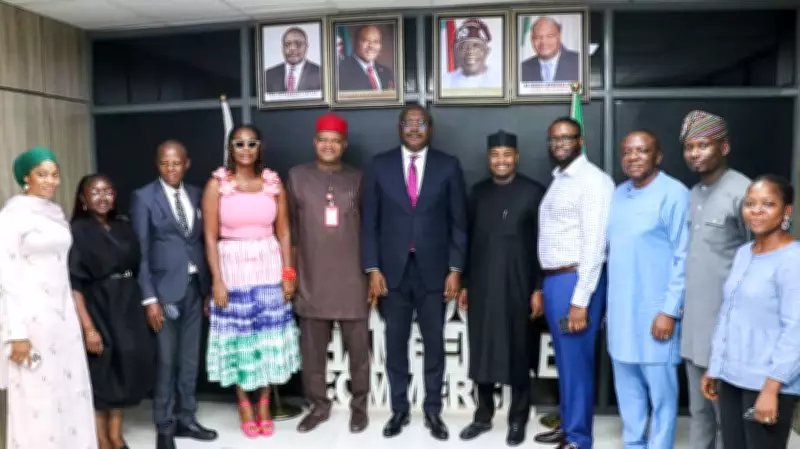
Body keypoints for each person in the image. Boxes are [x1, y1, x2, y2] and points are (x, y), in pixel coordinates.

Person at [361, 104, 468, 440]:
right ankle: (399, 410)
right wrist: (372, 268)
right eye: (408, 122)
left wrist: (455, 268)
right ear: (399, 127)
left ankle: (433, 410)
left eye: (421, 123)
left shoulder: (448, 165)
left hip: (434, 273)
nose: (414, 128)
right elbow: (369, 223)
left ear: (430, 128)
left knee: (434, 345)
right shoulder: (379, 165)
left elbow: (459, 223)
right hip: (392, 273)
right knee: (395, 345)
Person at [203, 125, 301, 438]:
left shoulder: (273, 183)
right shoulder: (217, 184)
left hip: (268, 267)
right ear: (230, 148)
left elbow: (284, 231)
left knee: (266, 337)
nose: (245, 149)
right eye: (239, 143)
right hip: (232, 269)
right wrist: (217, 281)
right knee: (239, 338)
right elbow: (209, 236)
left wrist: (288, 274)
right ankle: (244, 403)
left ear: (260, 147)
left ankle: (264, 403)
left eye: (251, 143)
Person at [0, 147, 97, 449]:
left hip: (62, 316)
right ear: (25, 178)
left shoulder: (55, 213)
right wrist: (17, 333)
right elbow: (6, 278)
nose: (51, 181)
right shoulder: (12, 216)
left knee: (70, 390)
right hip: (31, 320)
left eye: (55, 174)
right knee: (37, 399)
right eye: (42, 174)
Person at [457, 130, 545, 446]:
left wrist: (538, 288)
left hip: (520, 285)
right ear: (489, 158)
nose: (501, 160)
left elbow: (543, 244)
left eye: (507, 155)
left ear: (516, 157)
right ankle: (483, 416)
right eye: (495, 155)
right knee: (483, 351)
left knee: (519, 350)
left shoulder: (534, 192)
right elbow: (468, 240)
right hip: (482, 286)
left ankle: (518, 419)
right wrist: (465, 283)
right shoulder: (477, 192)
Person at [130, 140, 217, 449]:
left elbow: (200, 241)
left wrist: (208, 289)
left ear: (186, 163)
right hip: (163, 292)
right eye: (165, 163)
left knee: (190, 359)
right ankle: (164, 427)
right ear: (158, 165)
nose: (171, 168)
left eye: (176, 163)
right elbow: (140, 252)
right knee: (167, 361)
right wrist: (149, 299)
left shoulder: (196, 194)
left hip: (195, 288)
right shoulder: (143, 197)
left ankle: (186, 418)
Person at [702, 175, 800, 449]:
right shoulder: (745, 252)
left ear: (786, 211)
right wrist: (715, 367)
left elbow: (796, 330)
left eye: (768, 204)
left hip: (768, 382)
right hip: (732, 377)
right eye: (750, 203)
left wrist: (771, 388)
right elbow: (728, 313)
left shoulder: (793, 259)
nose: (756, 211)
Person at [606, 131, 689, 449]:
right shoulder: (618, 194)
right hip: (621, 314)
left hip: (656, 313)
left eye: (642, 151)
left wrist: (669, 310)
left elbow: (684, 257)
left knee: (662, 393)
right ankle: (634, 443)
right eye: (627, 152)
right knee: (627, 389)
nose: (633, 157)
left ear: (658, 156)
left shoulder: (674, 194)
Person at [288, 113, 370, 434]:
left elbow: (369, 229)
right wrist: (292, 273)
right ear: (314, 142)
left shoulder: (358, 178)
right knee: (312, 353)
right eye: (323, 140)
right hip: (311, 278)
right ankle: (318, 407)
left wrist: (371, 275)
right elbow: (289, 230)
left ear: (344, 145)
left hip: (352, 279)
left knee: (359, 352)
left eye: (335, 141)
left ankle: (359, 407)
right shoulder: (296, 176)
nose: (328, 146)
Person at [537, 117, 614, 449]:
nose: (559, 144)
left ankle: (579, 439)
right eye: (554, 139)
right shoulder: (561, 178)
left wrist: (580, 300)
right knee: (566, 361)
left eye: (567, 138)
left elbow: (595, 247)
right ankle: (568, 426)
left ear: (581, 141)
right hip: (556, 280)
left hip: (576, 280)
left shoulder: (593, 181)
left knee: (577, 362)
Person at [69, 174, 156, 449]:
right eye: (95, 192)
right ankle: (100, 437)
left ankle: (116, 435)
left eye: (107, 191)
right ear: (83, 198)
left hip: (127, 303)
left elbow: (139, 266)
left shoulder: (124, 226)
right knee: (101, 371)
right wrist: (88, 328)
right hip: (98, 304)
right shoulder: (77, 231)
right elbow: (74, 285)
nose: (102, 197)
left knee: (125, 368)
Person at [680, 110, 751, 449]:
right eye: (689, 147)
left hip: (727, 327)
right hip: (695, 326)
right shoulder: (694, 193)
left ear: (724, 147)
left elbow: (762, 257)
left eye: (703, 145)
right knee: (699, 411)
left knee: (726, 416)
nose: (695, 153)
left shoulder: (745, 192)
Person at [445, 18, 502, 89]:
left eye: (476, 46)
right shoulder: (445, 81)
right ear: (456, 52)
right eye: (463, 47)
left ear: (487, 51)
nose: (470, 52)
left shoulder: (501, 80)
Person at [520, 16, 580, 83]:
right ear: (532, 40)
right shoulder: (522, 69)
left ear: (559, 36)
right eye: (538, 37)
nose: (543, 42)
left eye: (550, 36)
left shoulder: (579, 61)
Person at [264, 26, 322, 94]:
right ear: (282, 48)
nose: (292, 48)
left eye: (298, 44)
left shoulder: (320, 73)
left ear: (306, 47)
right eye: (287, 44)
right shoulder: (268, 75)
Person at [338, 24, 395, 91]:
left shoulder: (386, 71)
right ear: (356, 42)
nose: (371, 46)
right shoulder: (341, 70)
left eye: (376, 42)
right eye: (365, 40)